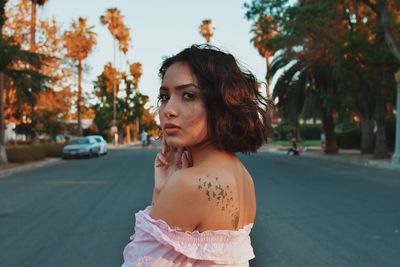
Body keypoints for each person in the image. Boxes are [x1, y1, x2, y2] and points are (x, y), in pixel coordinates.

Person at [122, 45, 270, 266]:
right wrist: (162, 189)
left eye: (188, 95)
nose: (168, 110)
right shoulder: (243, 177)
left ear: (221, 103)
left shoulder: (190, 183)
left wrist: (164, 192)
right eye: (164, 96)